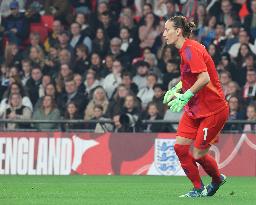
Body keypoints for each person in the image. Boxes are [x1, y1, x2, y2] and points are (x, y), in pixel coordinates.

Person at [162, 16, 229, 197]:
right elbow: (190, 76)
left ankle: (217, 179)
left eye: (167, 29)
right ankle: (198, 188)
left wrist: (185, 96)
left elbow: (204, 78)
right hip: (195, 108)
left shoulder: (190, 50)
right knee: (180, 148)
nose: (164, 34)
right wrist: (176, 88)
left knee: (199, 154)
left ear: (178, 31)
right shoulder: (187, 49)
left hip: (212, 110)